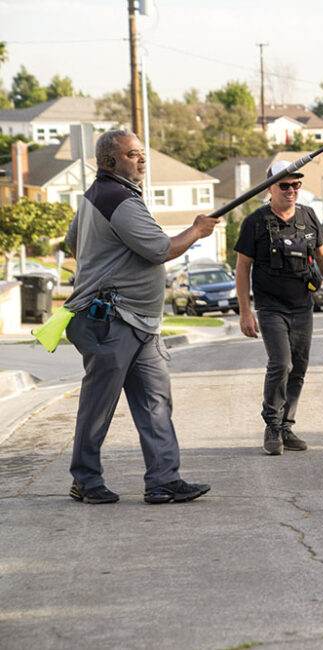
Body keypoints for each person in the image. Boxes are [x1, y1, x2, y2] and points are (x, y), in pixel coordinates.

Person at [65, 130, 215, 505]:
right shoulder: (117, 199)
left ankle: (164, 480)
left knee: (155, 403)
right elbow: (160, 249)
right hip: (112, 320)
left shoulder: (97, 196)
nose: (142, 160)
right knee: (98, 406)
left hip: (139, 323)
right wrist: (197, 231)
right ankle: (84, 480)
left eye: (142, 154)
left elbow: (73, 241)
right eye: (133, 155)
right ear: (110, 162)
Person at [234, 161, 323, 455]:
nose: (291, 190)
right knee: (280, 364)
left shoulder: (307, 217)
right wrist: (245, 311)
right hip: (271, 308)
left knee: (298, 368)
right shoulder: (255, 222)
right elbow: (242, 267)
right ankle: (272, 425)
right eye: (284, 185)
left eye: (296, 185)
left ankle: (286, 426)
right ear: (269, 188)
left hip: (302, 306)